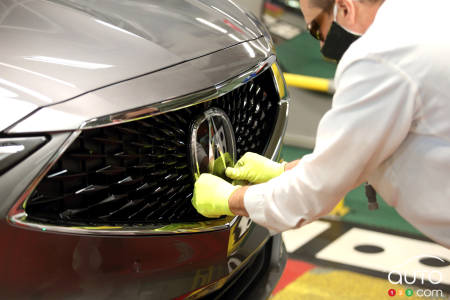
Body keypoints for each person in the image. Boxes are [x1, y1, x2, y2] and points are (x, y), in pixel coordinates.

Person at [192, 0, 450, 248]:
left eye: (317, 29)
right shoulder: (425, 14)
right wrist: (284, 172)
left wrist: (230, 199)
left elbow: (314, 193)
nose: (322, 43)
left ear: (345, 8)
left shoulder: (378, 57)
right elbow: (359, 154)